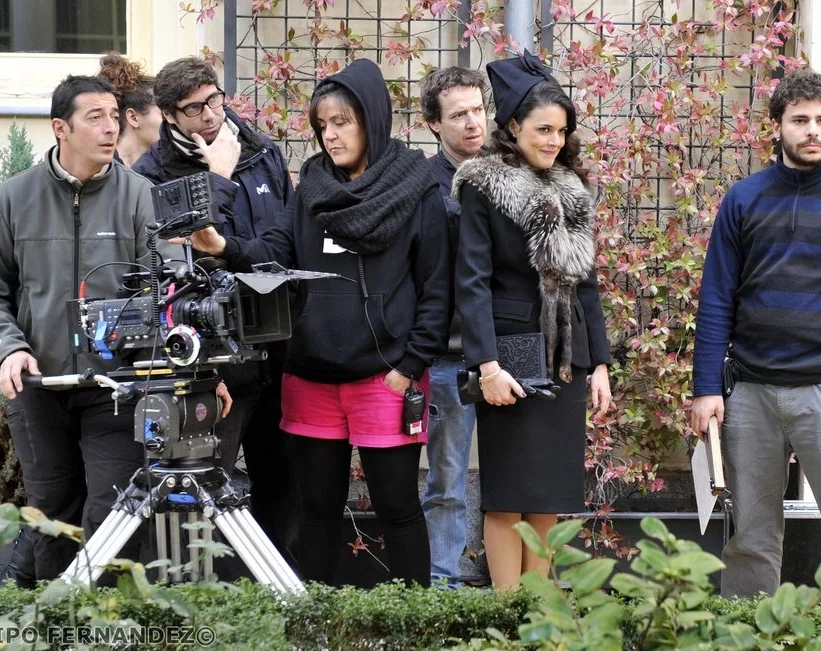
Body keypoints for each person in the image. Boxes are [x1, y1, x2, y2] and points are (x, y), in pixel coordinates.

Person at [183, 58, 451, 587]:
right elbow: (274, 250)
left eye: (342, 122)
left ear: (372, 120)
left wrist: (409, 365)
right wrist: (224, 247)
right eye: (323, 124)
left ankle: (416, 618)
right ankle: (316, 620)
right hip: (311, 376)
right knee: (316, 511)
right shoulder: (312, 187)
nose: (330, 135)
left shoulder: (416, 189)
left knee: (397, 508)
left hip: (386, 377)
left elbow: (436, 287)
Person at [689, 68, 821, 598]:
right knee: (750, 538)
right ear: (777, 126)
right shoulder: (744, 199)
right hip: (750, 393)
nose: (813, 131)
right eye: (800, 120)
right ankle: (749, 629)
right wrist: (707, 388)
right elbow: (716, 297)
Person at [0, 75, 183, 583]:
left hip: (116, 386)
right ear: (60, 128)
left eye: (114, 116)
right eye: (95, 117)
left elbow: (170, 288)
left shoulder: (140, 196)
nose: (111, 127)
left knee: (114, 508)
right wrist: (9, 348)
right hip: (39, 385)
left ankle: (105, 616)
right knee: (51, 513)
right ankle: (55, 617)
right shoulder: (14, 198)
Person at [453, 52, 612, 590]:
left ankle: (538, 611)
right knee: (507, 496)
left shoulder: (572, 189)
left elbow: (585, 282)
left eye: (562, 131)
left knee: (547, 497)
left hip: (567, 358)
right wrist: (487, 366)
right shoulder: (482, 185)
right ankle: (506, 612)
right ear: (514, 126)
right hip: (510, 359)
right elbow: (472, 282)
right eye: (544, 129)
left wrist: (601, 365)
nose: (555, 141)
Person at [132, 56, 297, 563]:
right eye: (194, 108)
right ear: (168, 114)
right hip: (214, 363)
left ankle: (277, 591)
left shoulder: (261, 151)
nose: (209, 114)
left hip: (278, 347)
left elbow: (286, 242)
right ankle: (201, 595)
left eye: (214, 99)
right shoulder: (151, 175)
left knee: (283, 487)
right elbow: (181, 258)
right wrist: (217, 176)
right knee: (203, 492)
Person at [418, 65, 488, 587]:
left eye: (478, 110)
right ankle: (442, 586)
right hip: (447, 355)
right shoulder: (422, 184)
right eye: (459, 114)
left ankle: (513, 587)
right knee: (446, 484)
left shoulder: (508, 176)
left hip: (506, 354)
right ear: (433, 124)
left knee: (515, 481)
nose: (472, 123)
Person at [96, 52, 162, 166]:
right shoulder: (98, 169)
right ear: (133, 117)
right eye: (164, 114)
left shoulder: (169, 167)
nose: (172, 121)